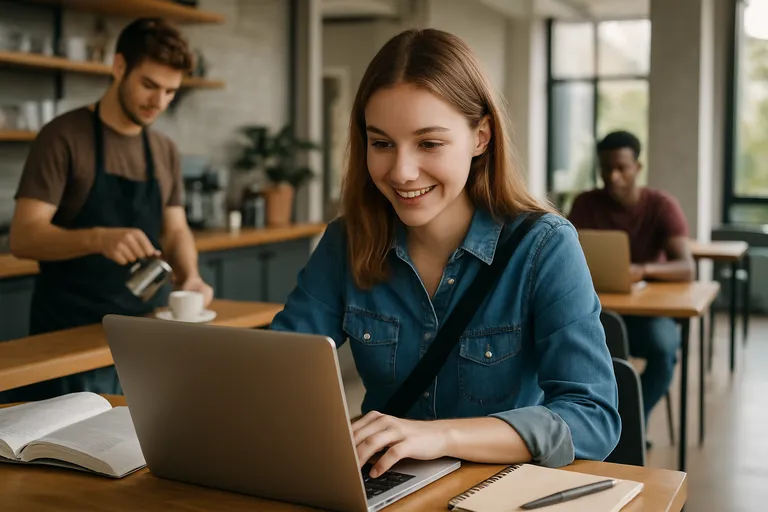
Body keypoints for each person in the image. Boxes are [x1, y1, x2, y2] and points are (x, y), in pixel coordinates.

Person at [269, 28, 620, 478]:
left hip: (495, 491)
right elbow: (279, 371)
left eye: (429, 143)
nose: (401, 171)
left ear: (480, 137)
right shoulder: (347, 240)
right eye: (381, 143)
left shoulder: (544, 246)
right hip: (380, 487)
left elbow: (593, 418)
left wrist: (441, 436)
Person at [4, 18, 213, 402]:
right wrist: (98, 237)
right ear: (119, 67)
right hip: (69, 337)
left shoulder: (163, 149)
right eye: (149, 85)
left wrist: (191, 276)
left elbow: (176, 230)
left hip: (142, 336)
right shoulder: (63, 136)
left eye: (170, 91)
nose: (159, 101)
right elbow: (23, 235)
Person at [568, 130, 694, 439]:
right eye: (606, 168)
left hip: (648, 313)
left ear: (638, 167)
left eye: (621, 168)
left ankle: (633, 422)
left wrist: (643, 269)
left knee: (665, 350)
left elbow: (686, 268)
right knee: (569, 349)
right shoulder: (586, 203)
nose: (612, 176)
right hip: (598, 310)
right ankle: (598, 423)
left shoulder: (661, 205)